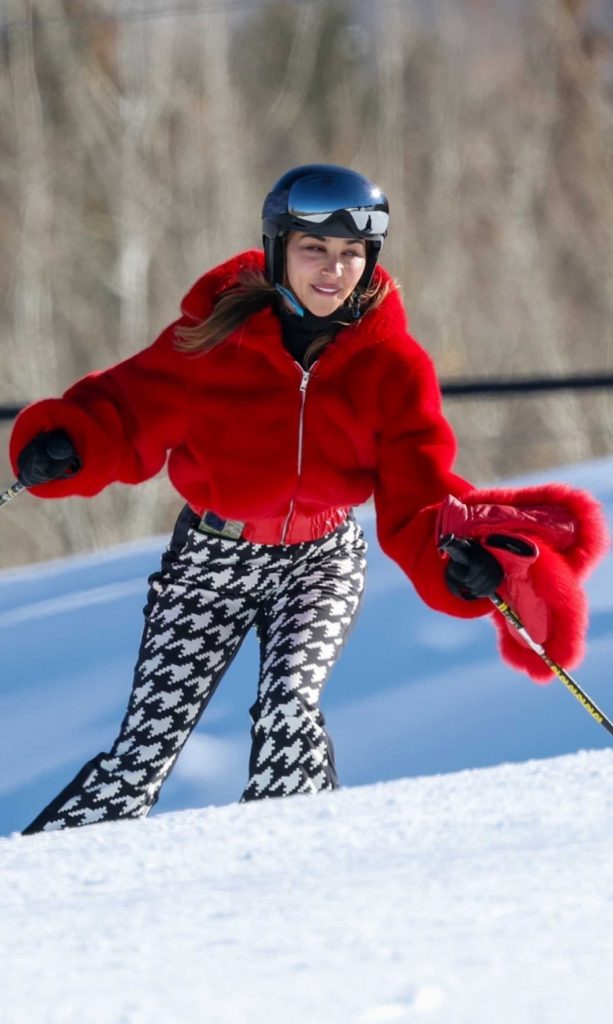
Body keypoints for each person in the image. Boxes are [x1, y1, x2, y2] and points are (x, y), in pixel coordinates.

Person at [10, 163, 608, 834]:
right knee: (144, 751)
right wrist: (72, 441)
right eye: (314, 250)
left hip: (319, 559)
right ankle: (45, 881)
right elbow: (125, 408)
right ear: (277, 251)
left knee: (288, 712)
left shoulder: (392, 365)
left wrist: (460, 565)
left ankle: (295, 866)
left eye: (352, 253)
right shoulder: (211, 343)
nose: (333, 269)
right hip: (214, 558)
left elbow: (418, 493)